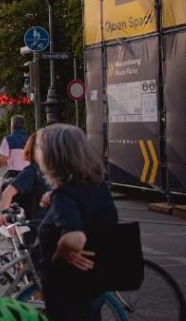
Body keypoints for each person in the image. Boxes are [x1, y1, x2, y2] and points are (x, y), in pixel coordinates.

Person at [35, 124, 118, 321]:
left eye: (39, 148)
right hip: (93, 282)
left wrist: (58, 254)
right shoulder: (97, 185)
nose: (36, 153)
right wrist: (54, 197)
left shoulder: (66, 195)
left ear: (54, 154)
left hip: (68, 288)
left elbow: (74, 237)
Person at [0, 115, 30, 190]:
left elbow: (3, 159)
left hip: (13, 176)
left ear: (12, 126)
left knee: (6, 195)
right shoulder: (30, 139)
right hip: (27, 175)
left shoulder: (8, 139)